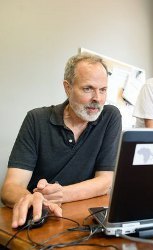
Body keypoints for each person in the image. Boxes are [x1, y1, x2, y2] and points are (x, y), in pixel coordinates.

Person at [0, 52, 122, 228]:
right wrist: (31, 198)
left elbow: (105, 182)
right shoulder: (36, 119)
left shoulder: (110, 116)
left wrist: (61, 194)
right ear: (67, 87)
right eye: (88, 88)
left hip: (82, 219)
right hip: (40, 218)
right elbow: (11, 187)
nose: (98, 98)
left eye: (103, 90)